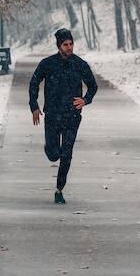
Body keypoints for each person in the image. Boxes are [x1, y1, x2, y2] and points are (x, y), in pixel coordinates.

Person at [28, 28, 98, 204]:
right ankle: (49, 148)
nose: (69, 47)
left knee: (66, 154)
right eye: (65, 44)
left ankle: (59, 189)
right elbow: (34, 83)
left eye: (71, 44)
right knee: (54, 155)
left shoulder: (80, 64)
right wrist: (34, 107)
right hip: (52, 115)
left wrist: (85, 100)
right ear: (59, 45)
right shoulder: (47, 64)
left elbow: (93, 85)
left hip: (73, 116)